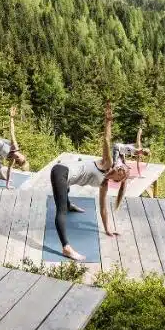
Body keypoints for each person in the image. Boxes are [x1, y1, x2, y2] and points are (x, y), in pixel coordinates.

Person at [49, 102, 128, 262]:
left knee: (66, 190)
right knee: (60, 210)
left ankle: (69, 205)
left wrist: (108, 229)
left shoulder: (104, 185)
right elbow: (106, 139)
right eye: (123, 168)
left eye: (123, 173)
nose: (122, 169)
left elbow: (103, 209)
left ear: (119, 180)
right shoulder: (107, 163)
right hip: (60, 171)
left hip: (65, 177)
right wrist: (108, 121)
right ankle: (66, 247)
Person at [0, 106, 29, 188]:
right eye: (22, 156)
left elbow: (9, 171)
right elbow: (12, 131)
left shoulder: (12, 160)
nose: (20, 155)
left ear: (17, 160)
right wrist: (11, 118)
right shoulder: (15, 147)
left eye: (19, 158)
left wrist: (7, 185)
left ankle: (1, 176)